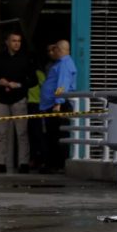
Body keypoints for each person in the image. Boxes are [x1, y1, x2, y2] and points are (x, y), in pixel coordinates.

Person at [0, 31, 36, 174]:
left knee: (22, 132)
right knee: (1, 133)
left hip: (19, 99)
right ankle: (0, 162)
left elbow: (34, 80)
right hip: (1, 99)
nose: (16, 43)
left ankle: (23, 163)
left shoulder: (26, 59)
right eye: (13, 40)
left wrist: (18, 85)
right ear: (7, 42)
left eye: (19, 41)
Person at [39, 40, 77, 172]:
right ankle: (54, 163)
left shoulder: (64, 64)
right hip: (53, 103)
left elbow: (62, 85)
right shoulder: (61, 63)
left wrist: (58, 103)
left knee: (57, 135)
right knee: (53, 135)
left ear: (59, 50)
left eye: (54, 49)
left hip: (57, 105)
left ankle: (57, 165)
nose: (52, 52)